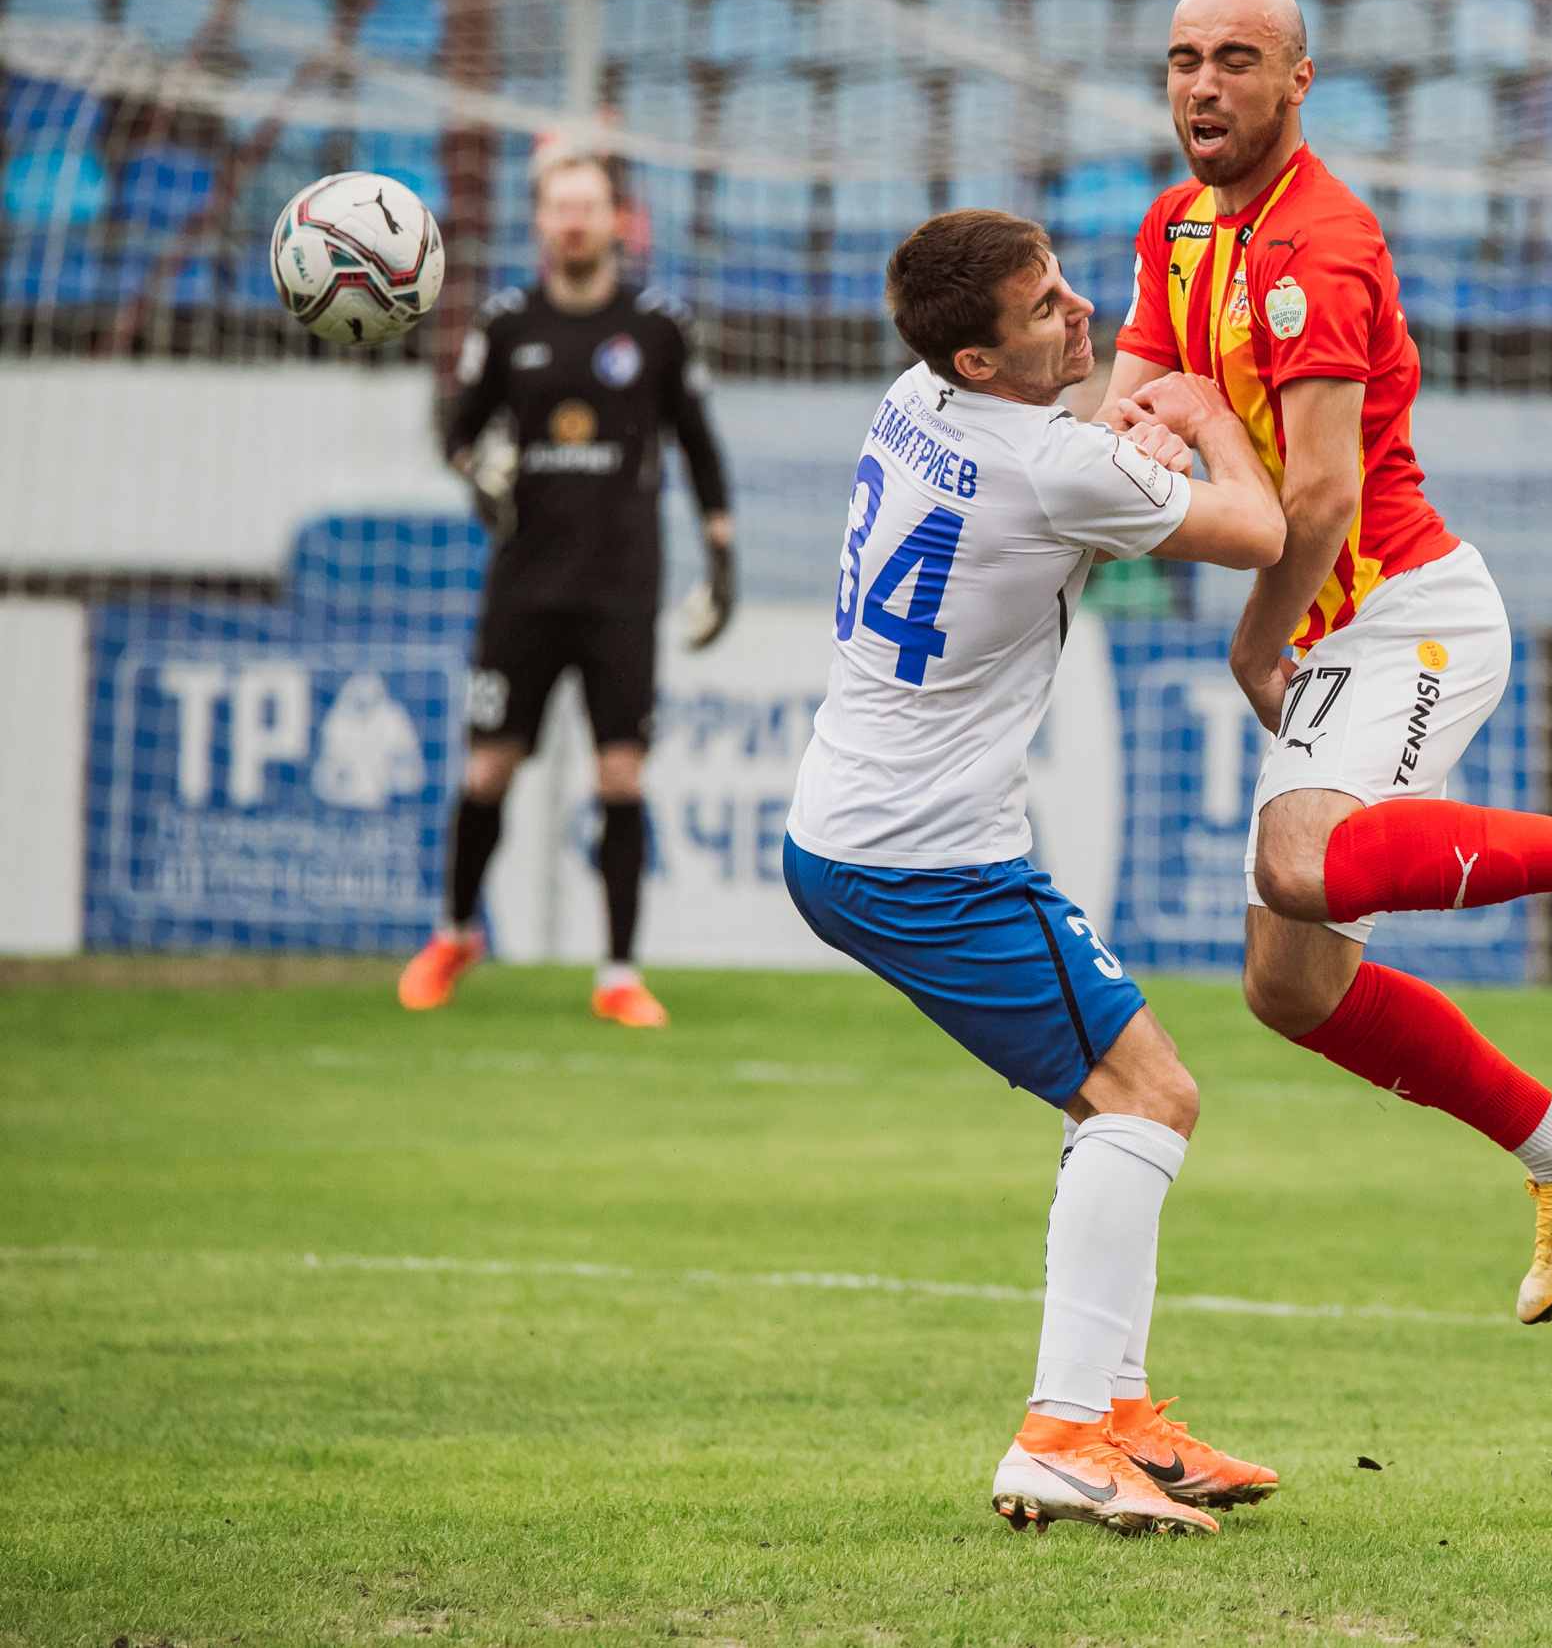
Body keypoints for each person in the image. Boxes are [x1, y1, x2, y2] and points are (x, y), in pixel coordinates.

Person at [1099, 0, 1552, 1327]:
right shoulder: (1174, 225)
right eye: (1184, 59)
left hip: (1408, 612)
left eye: (1236, 58)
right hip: (1333, 623)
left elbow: (1318, 500)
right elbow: (1125, 418)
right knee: (1289, 986)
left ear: (1298, 79)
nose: (1203, 84)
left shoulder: (1324, 248)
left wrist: (1250, 638)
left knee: (1297, 862)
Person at [783, 210, 1289, 1536]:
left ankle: (1117, 1417)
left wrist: (1121, 435)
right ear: (980, 356)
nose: (1081, 312)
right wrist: (1200, 414)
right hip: (926, 858)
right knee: (1152, 1096)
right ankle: (1061, 1433)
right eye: (1045, 308)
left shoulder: (916, 399)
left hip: (861, 828)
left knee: (1113, 1094)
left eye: (1065, 283)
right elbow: (1259, 530)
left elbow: (1066, 469)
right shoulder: (1055, 466)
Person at [398, 151, 735, 1029]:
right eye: (562, 206)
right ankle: (454, 934)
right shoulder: (507, 324)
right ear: (541, 220)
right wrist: (476, 470)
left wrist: (721, 558)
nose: (576, 220)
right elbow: (458, 432)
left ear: (618, 219)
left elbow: (699, 447)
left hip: (621, 592)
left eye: (590, 205)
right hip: (524, 589)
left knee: (620, 774)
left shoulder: (658, 326)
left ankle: (619, 972)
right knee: (487, 768)